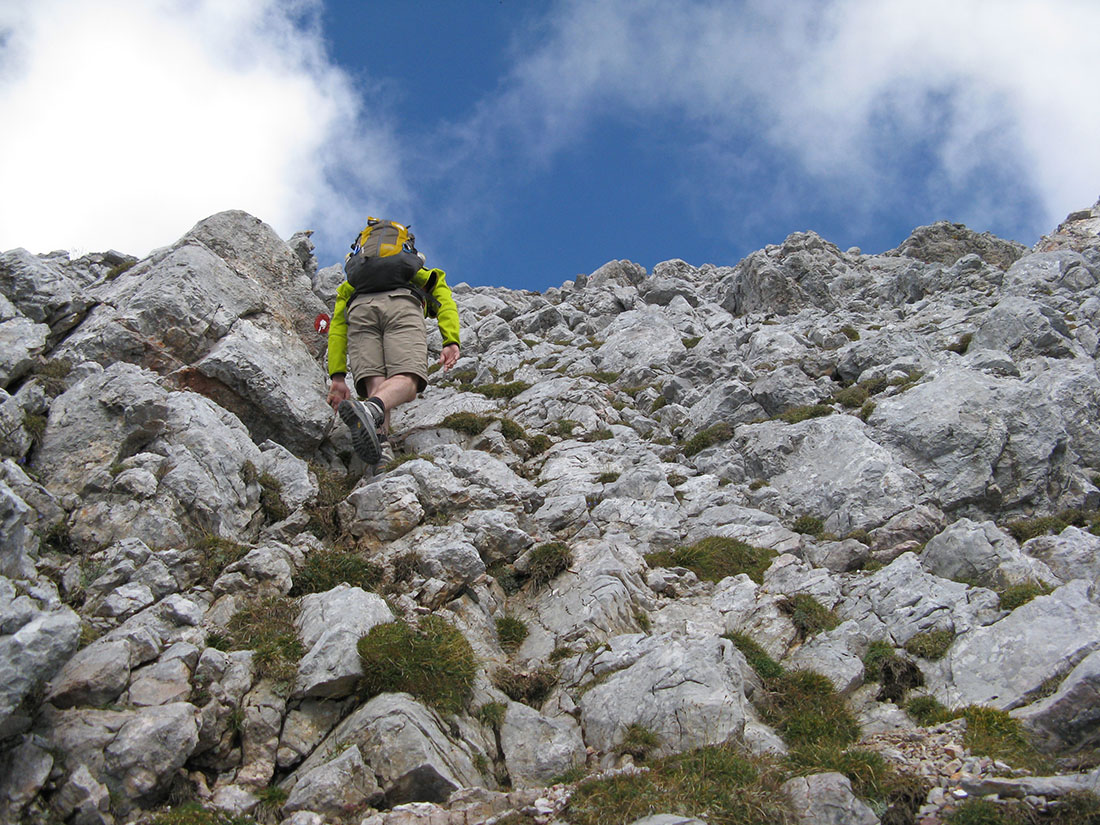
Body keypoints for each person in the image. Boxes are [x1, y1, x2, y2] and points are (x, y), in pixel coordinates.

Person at [325, 219, 461, 465]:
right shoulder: (413, 270)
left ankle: (381, 449)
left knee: (376, 382)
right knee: (408, 381)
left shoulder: (352, 283)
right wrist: (450, 339)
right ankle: (371, 409)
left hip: (359, 309)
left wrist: (337, 376)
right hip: (401, 303)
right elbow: (444, 299)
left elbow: (337, 326)